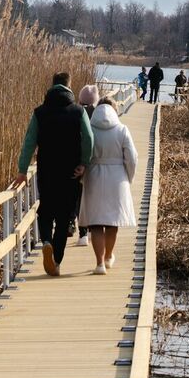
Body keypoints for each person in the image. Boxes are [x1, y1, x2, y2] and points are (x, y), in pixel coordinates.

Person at [15, 72, 94, 277]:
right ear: (69, 86)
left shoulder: (39, 112)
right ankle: (57, 260)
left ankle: (46, 242)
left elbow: (29, 142)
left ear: (52, 86)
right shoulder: (78, 111)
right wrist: (84, 163)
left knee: (46, 210)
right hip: (70, 173)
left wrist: (23, 170)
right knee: (64, 216)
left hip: (47, 171)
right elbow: (89, 138)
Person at [78, 96, 137, 274]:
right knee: (112, 222)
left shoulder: (89, 129)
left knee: (96, 223)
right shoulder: (122, 130)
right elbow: (132, 158)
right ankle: (109, 256)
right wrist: (129, 177)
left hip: (94, 175)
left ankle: (99, 264)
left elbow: (83, 152)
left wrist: (83, 175)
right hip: (117, 176)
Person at [74, 84, 100, 246]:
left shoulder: (76, 113)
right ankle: (92, 230)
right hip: (96, 164)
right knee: (93, 197)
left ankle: (82, 233)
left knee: (79, 199)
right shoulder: (100, 114)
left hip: (78, 163)